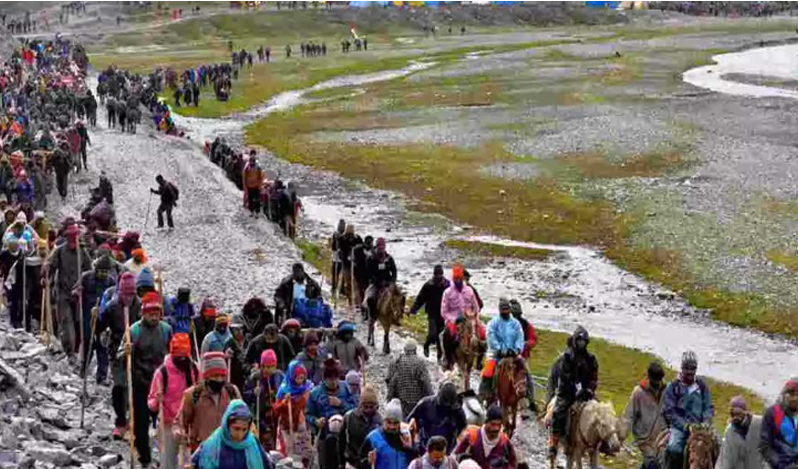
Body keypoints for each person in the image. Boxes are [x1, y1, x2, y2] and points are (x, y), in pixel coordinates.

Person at [127, 292, 173, 467]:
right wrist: (126, 351)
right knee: (140, 422)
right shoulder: (134, 330)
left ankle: (165, 457)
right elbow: (120, 355)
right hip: (140, 381)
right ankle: (144, 458)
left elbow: (172, 353)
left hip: (161, 383)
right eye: (150, 314)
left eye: (157, 314)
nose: (154, 317)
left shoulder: (166, 329)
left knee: (165, 421)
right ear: (143, 313)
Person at [98, 272, 141, 438]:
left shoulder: (140, 306)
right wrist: (97, 318)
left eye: (131, 295)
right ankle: (120, 422)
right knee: (119, 385)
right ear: (120, 292)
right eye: (125, 295)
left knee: (135, 386)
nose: (128, 298)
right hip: (116, 350)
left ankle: (135, 421)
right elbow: (100, 327)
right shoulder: (112, 307)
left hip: (136, 351)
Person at [148, 333, 199, 469]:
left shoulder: (194, 369)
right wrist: (156, 400)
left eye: (184, 357)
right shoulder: (162, 372)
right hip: (167, 424)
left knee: (189, 463)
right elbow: (151, 403)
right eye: (179, 357)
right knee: (168, 463)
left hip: (188, 423)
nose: (182, 360)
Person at [549, 326, 599, 463]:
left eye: (584, 341)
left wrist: (589, 389)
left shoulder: (591, 358)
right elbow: (566, 376)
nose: (581, 344)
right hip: (567, 392)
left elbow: (594, 377)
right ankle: (554, 443)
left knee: (601, 412)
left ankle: (601, 443)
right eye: (579, 341)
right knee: (558, 411)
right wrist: (576, 389)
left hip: (586, 394)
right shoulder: (567, 357)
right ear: (575, 341)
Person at [177, 352, 242, 452]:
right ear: (206, 376)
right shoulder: (193, 395)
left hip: (228, 449)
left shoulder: (232, 392)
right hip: (202, 451)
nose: (219, 380)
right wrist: (179, 433)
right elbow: (180, 422)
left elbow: (243, 418)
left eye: (222, 376)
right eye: (215, 376)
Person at [44, 224, 91, 358]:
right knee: (66, 321)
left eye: (74, 240)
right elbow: (51, 265)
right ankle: (69, 352)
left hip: (78, 293)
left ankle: (75, 350)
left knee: (78, 323)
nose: (73, 244)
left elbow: (89, 270)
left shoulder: (82, 252)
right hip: (63, 291)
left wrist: (84, 285)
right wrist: (46, 273)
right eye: (70, 241)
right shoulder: (60, 251)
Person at [662, 351, 714, 469]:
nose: (690, 371)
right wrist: (685, 426)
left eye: (693, 368)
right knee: (674, 448)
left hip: (700, 427)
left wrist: (707, 421)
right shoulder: (673, 386)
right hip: (680, 428)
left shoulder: (702, 386)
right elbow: (670, 412)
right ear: (682, 368)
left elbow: (708, 406)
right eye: (687, 368)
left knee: (718, 445)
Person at [191, 399, 272, 469]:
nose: (240, 434)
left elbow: (267, 466)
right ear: (227, 425)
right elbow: (192, 464)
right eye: (236, 429)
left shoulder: (253, 444)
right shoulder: (212, 444)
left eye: (244, 430)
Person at [75, 255, 116, 377]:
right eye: (101, 271)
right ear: (96, 269)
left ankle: (102, 375)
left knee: (102, 345)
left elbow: (114, 298)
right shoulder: (86, 277)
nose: (103, 274)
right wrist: (78, 292)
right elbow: (75, 290)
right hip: (87, 315)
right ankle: (83, 369)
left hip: (103, 317)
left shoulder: (111, 282)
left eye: (106, 271)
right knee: (88, 342)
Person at [623, 361, 667, 469]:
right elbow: (628, 416)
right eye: (654, 382)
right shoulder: (638, 393)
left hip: (662, 437)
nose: (656, 386)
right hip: (644, 439)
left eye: (658, 382)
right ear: (649, 378)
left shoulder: (666, 391)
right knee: (652, 464)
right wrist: (622, 436)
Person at [480, 298, 524, 403]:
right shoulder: (493, 323)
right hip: (496, 354)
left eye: (507, 309)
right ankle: (484, 394)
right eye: (503, 310)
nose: (505, 312)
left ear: (509, 309)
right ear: (499, 310)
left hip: (513, 354)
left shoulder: (516, 324)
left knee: (523, 367)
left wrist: (517, 349)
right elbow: (490, 337)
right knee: (488, 370)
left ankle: (528, 398)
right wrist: (500, 349)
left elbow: (520, 337)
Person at [407, 380, 467, 454]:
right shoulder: (425, 403)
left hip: (447, 449)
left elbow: (463, 427)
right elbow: (411, 419)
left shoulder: (457, 409)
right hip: (426, 446)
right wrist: (414, 429)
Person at [242, 350, 285, 451]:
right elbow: (245, 395)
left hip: (277, 415)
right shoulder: (255, 378)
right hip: (261, 417)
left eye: (271, 367)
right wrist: (253, 392)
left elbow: (285, 388)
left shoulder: (280, 376)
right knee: (264, 443)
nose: (268, 369)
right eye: (265, 366)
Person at [273, 361, 313, 465]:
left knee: (305, 454)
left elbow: (308, 405)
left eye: (302, 378)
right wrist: (284, 402)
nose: (300, 381)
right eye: (298, 378)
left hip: (302, 425)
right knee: (289, 454)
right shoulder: (284, 389)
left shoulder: (307, 387)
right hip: (287, 426)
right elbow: (276, 408)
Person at [454, 405, 518, 469]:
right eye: (493, 424)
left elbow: (513, 463)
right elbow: (457, 457)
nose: (496, 428)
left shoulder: (504, 441)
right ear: (486, 422)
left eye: (499, 425)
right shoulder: (472, 437)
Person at [360, 398, 417, 469]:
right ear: (384, 420)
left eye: (395, 423)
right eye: (389, 422)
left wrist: (409, 448)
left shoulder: (405, 437)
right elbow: (360, 462)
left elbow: (415, 462)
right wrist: (368, 462)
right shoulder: (372, 438)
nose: (392, 426)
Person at [409, 264, 450, 359]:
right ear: (434, 275)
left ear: (442, 274)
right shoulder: (428, 285)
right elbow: (420, 298)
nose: (438, 276)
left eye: (440, 274)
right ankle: (426, 344)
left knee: (442, 336)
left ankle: (439, 356)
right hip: (432, 313)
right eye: (437, 275)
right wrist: (414, 309)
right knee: (433, 334)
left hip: (444, 314)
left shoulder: (448, 285)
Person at [386, 339, 433, 417]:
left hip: (401, 401)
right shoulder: (420, 362)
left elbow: (389, 380)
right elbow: (426, 383)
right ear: (415, 350)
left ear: (404, 349)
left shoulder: (396, 362)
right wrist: (432, 398)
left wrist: (390, 398)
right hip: (416, 402)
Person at [340, 384, 382, 469]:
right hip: (352, 461)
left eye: (371, 407)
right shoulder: (349, 417)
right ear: (360, 405)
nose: (368, 410)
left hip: (371, 463)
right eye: (365, 406)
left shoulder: (379, 420)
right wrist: (341, 462)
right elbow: (341, 441)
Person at [759, 378, 798, 469]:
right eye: (791, 394)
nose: (795, 398)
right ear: (784, 395)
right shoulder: (773, 413)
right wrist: (779, 464)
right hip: (781, 464)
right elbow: (765, 445)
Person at [716, 396, 763, 469]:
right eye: (733, 414)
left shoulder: (759, 424)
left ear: (746, 412)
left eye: (738, 413)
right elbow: (726, 458)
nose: (735, 417)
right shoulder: (730, 432)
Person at [363, 237, 397, 318]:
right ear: (377, 246)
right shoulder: (371, 258)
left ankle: (398, 316)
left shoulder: (389, 258)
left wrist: (392, 282)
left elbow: (394, 271)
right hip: (375, 283)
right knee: (370, 298)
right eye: (379, 247)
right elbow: (368, 273)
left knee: (399, 297)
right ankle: (371, 315)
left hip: (387, 283)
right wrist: (376, 281)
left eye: (382, 247)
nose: (381, 249)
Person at [337, 223, 361, 303]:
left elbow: (361, 246)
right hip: (346, 264)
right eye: (349, 230)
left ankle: (356, 300)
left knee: (355, 282)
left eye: (352, 230)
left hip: (355, 264)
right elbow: (339, 247)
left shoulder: (357, 238)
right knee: (348, 282)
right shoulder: (342, 238)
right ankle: (349, 298)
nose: (351, 232)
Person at [243, 152, 264, 217]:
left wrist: (260, 185)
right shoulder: (247, 168)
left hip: (256, 186)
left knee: (257, 200)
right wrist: (245, 186)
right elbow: (244, 177)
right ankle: (251, 211)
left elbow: (261, 177)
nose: (251, 163)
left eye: (252, 162)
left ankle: (257, 212)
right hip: (249, 186)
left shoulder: (258, 167)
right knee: (250, 199)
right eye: (251, 162)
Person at [330, 219, 345, 295]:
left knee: (343, 275)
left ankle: (342, 290)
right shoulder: (335, 234)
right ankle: (334, 288)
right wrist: (336, 241)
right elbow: (333, 247)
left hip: (342, 259)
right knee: (335, 274)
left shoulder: (345, 235)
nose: (342, 227)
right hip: (336, 258)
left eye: (343, 225)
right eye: (341, 225)